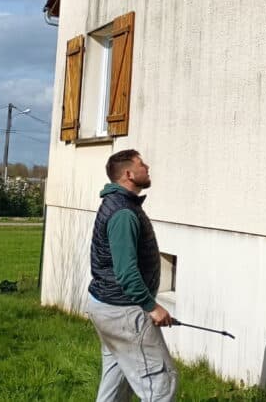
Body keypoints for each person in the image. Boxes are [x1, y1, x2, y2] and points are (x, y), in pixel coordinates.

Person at [86, 149, 178, 401]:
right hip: (124, 312)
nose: (147, 167)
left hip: (106, 306)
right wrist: (152, 306)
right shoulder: (123, 213)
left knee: (115, 384)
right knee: (160, 384)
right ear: (128, 174)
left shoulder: (118, 205)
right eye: (141, 164)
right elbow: (126, 273)